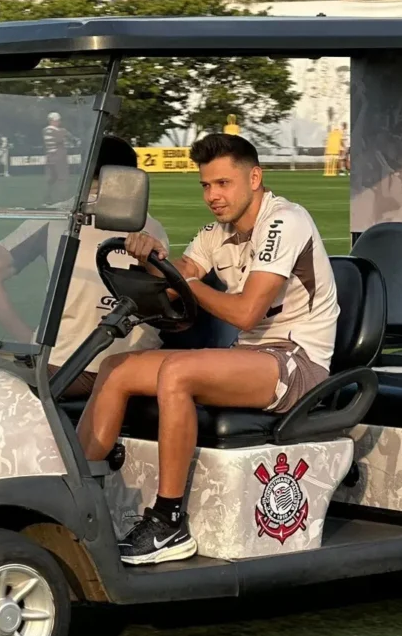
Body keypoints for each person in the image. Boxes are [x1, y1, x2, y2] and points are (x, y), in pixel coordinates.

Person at [75, 133, 340, 566]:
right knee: (118, 366)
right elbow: (180, 274)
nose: (213, 196)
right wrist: (149, 257)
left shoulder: (285, 221)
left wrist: (190, 286)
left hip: (297, 363)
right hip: (250, 359)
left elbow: (246, 313)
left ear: (254, 178)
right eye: (206, 186)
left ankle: (169, 522)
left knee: (177, 372)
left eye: (223, 184)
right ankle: (80, 496)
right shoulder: (216, 233)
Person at [0, 137, 171, 398]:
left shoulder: (59, 217)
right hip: (133, 364)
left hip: (64, 364)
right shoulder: (151, 229)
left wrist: (28, 339)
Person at [43, 112, 69, 204]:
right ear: (53, 121)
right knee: (62, 178)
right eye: (58, 120)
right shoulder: (54, 130)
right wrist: (63, 132)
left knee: (52, 179)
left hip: (51, 158)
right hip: (58, 158)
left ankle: (48, 198)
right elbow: (61, 138)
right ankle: (62, 198)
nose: (59, 122)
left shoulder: (47, 130)